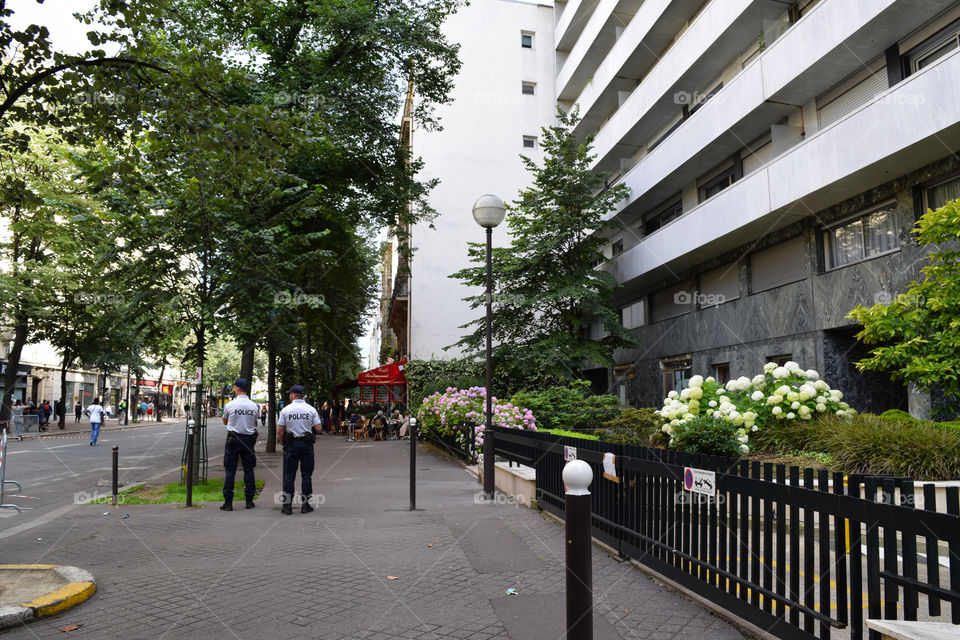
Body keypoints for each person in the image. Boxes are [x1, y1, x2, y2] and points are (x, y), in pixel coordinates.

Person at [276, 385, 321, 515]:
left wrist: (284, 442)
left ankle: (287, 506)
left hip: (291, 445)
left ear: (294, 395)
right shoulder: (311, 409)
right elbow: (318, 428)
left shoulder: (286, 410)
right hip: (306, 445)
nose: (289, 395)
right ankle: (305, 505)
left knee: (289, 476)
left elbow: (279, 430)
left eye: (290, 394)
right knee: (306, 475)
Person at [220, 378, 259, 511]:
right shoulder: (253, 406)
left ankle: (228, 503)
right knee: (249, 470)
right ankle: (249, 501)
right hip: (248, 440)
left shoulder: (230, 405)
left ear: (237, 388)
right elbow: (254, 423)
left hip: (233, 439)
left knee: (230, 470)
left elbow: (225, 421)